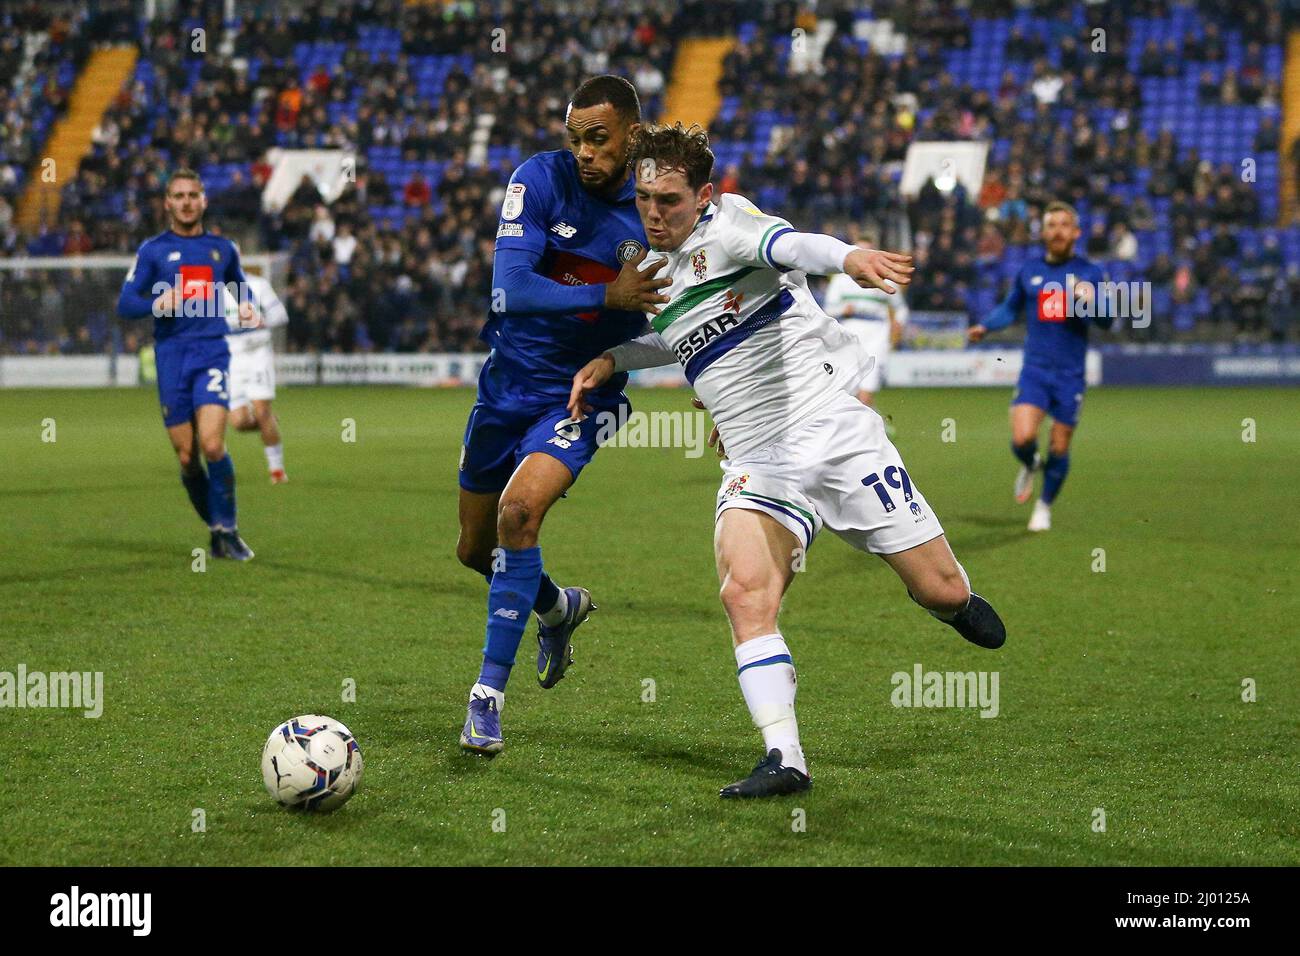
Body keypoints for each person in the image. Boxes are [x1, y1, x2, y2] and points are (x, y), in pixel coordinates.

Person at [568, 123, 1006, 798]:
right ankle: (786, 758)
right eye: (645, 198)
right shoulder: (655, 270)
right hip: (758, 457)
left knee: (938, 588)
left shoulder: (733, 227)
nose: (655, 213)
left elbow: (792, 245)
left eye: (671, 201)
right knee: (746, 593)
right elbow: (674, 334)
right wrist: (614, 358)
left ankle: (951, 603)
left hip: (833, 432)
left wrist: (849, 255)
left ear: (704, 196)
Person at [456, 76, 671, 756]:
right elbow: (507, 291)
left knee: (519, 514)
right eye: (575, 138)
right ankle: (556, 607)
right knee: (474, 549)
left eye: (598, 139)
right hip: (506, 386)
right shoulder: (539, 179)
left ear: (633, 136)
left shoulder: (658, 211)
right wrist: (609, 292)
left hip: (583, 395)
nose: (583, 151)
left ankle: (486, 699)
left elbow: (684, 322)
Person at [116, 168, 259, 559]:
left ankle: (228, 531)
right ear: (167, 203)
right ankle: (216, 529)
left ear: (203, 201)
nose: (186, 202)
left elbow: (237, 281)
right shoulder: (153, 251)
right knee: (186, 457)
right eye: (178, 196)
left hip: (211, 350)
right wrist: (155, 304)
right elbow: (125, 304)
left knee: (213, 445)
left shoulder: (222, 248)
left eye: (192, 195)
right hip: (172, 357)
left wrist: (246, 303)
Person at [967, 202, 1111, 531]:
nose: (1058, 230)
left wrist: (1088, 300)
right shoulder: (1029, 270)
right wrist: (986, 327)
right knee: (1022, 438)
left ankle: (1043, 506)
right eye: (1052, 225)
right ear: (1043, 232)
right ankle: (1031, 462)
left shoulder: (1089, 272)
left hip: (1070, 375)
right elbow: (1009, 307)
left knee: (1059, 445)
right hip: (1035, 370)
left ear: (1076, 232)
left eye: (1064, 225)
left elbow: (1107, 319)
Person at [822, 231, 909, 429]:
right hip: (849, 330)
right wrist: (844, 309)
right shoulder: (841, 280)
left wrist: (899, 323)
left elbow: (901, 308)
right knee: (850, 387)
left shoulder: (885, 277)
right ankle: (873, 422)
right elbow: (828, 309)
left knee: (868, 385)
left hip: (878, 331)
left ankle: (866, 429)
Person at [224, 272, 290, 483]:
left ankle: (277, 471)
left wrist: (263, 320)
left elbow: (280, 314)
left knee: (262, 411)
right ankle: (268, 421)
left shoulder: (257, 285)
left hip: (258, 356)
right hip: (231, 360)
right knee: (239, 422)